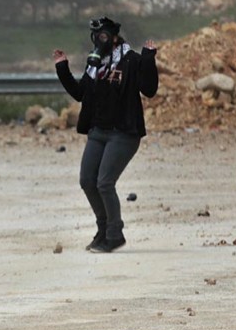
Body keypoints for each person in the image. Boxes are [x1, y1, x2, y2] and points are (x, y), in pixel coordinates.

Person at [52, 17, 158, 253]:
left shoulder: (130, 60)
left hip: (124, 133)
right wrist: (62, 67)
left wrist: (149, 59)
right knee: (87, 181)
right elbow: (80, 93)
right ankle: (103, 229)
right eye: (95, 36)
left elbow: (149, 90)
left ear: (114, 36)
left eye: (102, 36)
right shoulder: (95, 64)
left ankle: (115, 233)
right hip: (98, 131)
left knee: (105, 182)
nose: (99, 41)